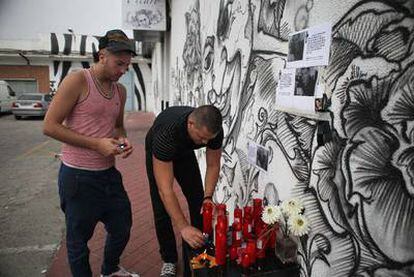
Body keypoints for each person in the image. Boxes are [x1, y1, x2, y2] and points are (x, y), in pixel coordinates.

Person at [43, 29, 139, 277]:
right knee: (78, 242)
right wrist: (96, 144)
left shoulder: (120, 91)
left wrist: (122, 141)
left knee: (122, 227)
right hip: (77, 177)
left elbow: (117, 126)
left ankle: (109, 270)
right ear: (102, 55)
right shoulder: (78, 81)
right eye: (119, 64)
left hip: (108, 174)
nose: (122, 71)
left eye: (127, 66)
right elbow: (50, 126)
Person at [145, 105, 223, 277]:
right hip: (159, 149)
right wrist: (183, 226)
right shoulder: (166, 135)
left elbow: (213, 165)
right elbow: (166, 190)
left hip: (184, 151)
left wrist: (208, 197)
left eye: (208, 140)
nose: (204, 143)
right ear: (190, 124)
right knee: (161, 207)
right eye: (202, 138)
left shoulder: (212, 132)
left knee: (198, 201)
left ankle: (196, 259)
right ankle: (169, 259)